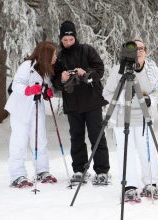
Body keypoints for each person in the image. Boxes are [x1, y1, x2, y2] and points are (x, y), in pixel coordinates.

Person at [103, 39, 158, 202]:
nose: (139, 51)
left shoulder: (151, 69)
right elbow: (107, 93)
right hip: (122, 117)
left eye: (142, 48)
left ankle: (151, 183)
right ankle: (130, 186)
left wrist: (151, 99)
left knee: (147, 150)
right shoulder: (119, 69)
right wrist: (123, 98)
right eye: (135, 48)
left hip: (144, 117)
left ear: (146, 51)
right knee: (126, 151)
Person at [52, 21, 110, 185]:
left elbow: (100, 69)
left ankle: (102, 171)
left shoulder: (87, 50)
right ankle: (79, 170)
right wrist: (62, 79)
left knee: (97, 136)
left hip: (92, 102)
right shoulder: (59, 57)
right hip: (72, 105)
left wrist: (86, 73)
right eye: (65, 40)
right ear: (61, 40)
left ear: (75, 37)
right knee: (76, 137)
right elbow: (55, 83)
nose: (68, 43)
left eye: (70, 39)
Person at [5, 41, 58, 188]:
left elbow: (45, 86)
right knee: (19, 142)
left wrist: (47, 92)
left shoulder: (46, 69)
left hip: (36, 108)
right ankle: (17, 175)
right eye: (54, 54)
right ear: (46, 55)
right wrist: (28, 89)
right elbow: (16, 85)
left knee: (40, 140)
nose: (55, 57)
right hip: (21, 109)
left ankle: (42, 171)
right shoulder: (27, 66)